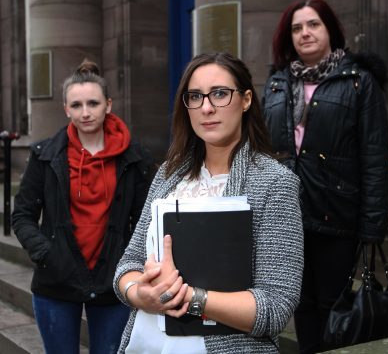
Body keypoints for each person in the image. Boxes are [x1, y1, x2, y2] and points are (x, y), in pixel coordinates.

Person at [113, 52, 304, 353]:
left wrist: (189, 298)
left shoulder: (274, 183)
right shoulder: (168, 174)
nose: (207, 107)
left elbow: (276, 306)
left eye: (220, 94)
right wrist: (140, 294)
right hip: (149, 343)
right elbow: (128, 265)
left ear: (246, 100)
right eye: (195, 96)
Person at [262, 0, 388, 354]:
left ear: (330, 29)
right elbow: (263, 153)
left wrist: (373, 225)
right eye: (296, 27)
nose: (305, 33)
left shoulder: (358, 83)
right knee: (299, 305)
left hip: (337, 215)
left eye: (313, 24)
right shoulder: (275, 85)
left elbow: (375, 157)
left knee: (331, 306)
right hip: (287, 217)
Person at [12, 59, 153, 354]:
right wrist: (45, 253)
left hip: (113, 282)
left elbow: (145, 220)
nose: (85, 112)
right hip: (57, 282)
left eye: (93, 103)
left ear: (108, 105)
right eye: (76, 105)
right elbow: (23, 215)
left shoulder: (135, 158)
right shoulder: (45, 156)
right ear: (66, 109)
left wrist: (130, 262)